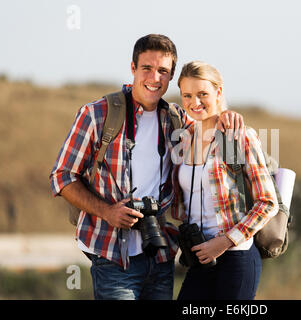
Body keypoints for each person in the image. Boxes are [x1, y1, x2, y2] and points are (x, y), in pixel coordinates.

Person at [49, 34, 244, 300]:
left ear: (171, 75)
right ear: (133, 68)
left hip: (161, 254)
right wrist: (107, 211)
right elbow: (62, 177)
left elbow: (205, 114)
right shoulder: (97, 114)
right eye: (147, 68)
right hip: (112, 255)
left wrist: (225, 114)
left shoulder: (175, 118)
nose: (155, 78)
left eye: (163, 71)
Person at [172, 61, 279, 300]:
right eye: (187, 95)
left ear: (218, 92)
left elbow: (267, 202)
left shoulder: (238, 136)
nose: (194, 102)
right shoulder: (183, 140)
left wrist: (223, 242)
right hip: (198, 256)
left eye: (203, 94)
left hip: (236, 257)